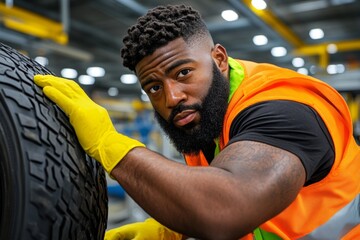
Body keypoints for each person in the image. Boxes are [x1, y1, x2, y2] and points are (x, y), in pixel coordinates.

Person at [34, 4, 360, 240]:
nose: (171, 97)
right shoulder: (206, 121)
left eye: (183, 73)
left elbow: (228, 208)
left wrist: (109, 143)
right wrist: (173, 230)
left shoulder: (285, 108)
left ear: (219, 59)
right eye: (154, 87)